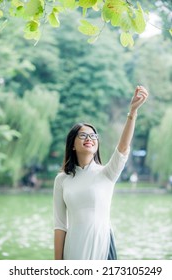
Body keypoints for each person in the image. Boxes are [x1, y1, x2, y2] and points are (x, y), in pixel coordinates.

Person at [53, 85, 149, 260]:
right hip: (73, 249)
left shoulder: (107, 173)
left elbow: (123, 147)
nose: (89, 139)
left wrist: (132, 112)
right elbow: (60, 225)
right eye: (83, 136)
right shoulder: (62, 180)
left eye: (93, 136)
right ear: (72, 145)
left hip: (102, 246)